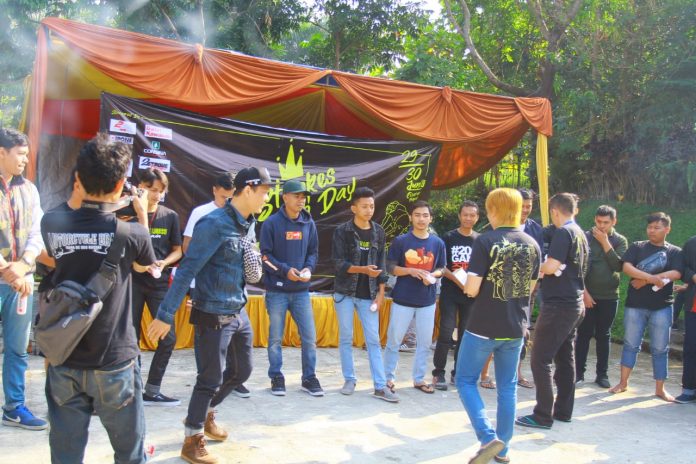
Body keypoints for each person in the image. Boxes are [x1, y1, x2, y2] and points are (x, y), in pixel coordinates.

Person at [42, 133, 155, 462]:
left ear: (77, 178)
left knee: (65, 455)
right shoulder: (132, 233)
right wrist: (141, 211)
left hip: (64, 357)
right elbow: (145, 265)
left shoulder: (51, 222)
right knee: (130, 455)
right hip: (114, 361)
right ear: (121, 185)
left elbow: (64, 244)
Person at [148, 167, 270, 464]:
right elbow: (187, 269)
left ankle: (205, 414)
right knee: (210, 378)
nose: (267, 198)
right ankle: (192, 440)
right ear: (248, 189)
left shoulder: (248, 224)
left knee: (242, 372)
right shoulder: (213, 224)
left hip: (238, 309)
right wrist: (165, 314)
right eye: (265, 192)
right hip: (212, 312)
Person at [457, 188, 541, 464]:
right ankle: (503, 450)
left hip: (483, 324)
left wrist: (465, 281)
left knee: (465, 380)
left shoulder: (485, 241)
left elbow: (472, 288)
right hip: (515, 326)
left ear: (494, 210)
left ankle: (487, 437)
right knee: (508, 387)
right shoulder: (532, 244)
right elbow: (530, 288)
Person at [516, 192, 588, 429]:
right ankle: (564, 411)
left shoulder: (563, 233)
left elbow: (551, 265)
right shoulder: (581, 233)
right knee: (565, 358)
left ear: (554, 211)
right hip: (574, 302)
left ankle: (542, 415)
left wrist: (538, 268)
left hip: (559, 305)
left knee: (540, 359)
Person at [331, 187, 397, 402]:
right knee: (346, 337)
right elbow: (338, 264)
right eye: (364, 206)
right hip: (345, 293)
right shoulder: (342, 231)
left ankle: (380, 386)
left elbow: (382, 265)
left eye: (372, 206)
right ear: (354, 208)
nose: (369, 210)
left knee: (373, 340)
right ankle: (349, 379)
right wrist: (363, 270)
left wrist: (381, 293)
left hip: (369, 294)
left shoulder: (378, 231)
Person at [0, 128, 46, 431]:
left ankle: (14, 407)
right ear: (2, 153)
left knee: (17, 350)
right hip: (10, 276)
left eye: (27, 154)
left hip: (21, 283)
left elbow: (37, 232)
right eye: (20, 154)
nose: (25, 160)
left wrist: (25, 265)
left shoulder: (29, 189)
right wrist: (7, 269)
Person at [609, 212, 683, 402]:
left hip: (662, 307)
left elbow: (676, 273)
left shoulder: (675, 252)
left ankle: (660, 388)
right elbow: (627, 268)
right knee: (631, 344)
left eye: (657, 227)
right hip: (636, 305)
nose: (652, 230)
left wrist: (644, 281)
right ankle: (623, 383)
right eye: (650, 227)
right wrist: (651, 278)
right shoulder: (637, 247)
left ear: (667, 229)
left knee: (660, 348)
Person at [260, 179, 323, 397]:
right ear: (285, 197)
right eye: (297, 196)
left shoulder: (309, 223)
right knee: (275, 339)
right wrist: (285, 271)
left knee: (309, 338)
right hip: (276, 291)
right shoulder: (271, 223)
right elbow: (264, 257)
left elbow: (313, 252)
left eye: (303, 196)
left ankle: (309, 378)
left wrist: (308, 269)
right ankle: (276, 376)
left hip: (301, 293)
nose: (301, 200)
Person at [130, 168, 183, 406]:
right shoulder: (128, 213)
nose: (157, 195)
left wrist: (164, 262)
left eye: (161, 191)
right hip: (131, 282)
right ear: (140, 187)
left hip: (159, 283)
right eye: (152, 190)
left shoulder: (169, 216)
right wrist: (136, 264)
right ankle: (133, 389)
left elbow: (178, 250)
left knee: (168, 338)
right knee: (130, 337)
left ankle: (152, 390)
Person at [383, 200, 446, 394]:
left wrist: (432, 276)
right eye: (417, 215)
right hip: (403, 298)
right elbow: (390, 267)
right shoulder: (401, 241)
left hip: (427, 300)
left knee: (424, 343)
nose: (421, 219)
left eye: (425, 215)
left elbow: (441, 268)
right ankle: (387, 378)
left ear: (431, 218)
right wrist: (410, 270)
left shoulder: (437, 243)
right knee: (394, 340)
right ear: (411, 217)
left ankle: (419, 379)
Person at [575, 205, 627, 388]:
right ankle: (578, 373)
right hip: (587, 295)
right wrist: (585, 293)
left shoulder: (620, 240)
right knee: (583, 334)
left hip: (609, 295)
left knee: (604, 335)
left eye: (606, 222)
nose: (602, 225)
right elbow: (578, 267)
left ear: (614, 222)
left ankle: (602, 374)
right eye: (599, 221)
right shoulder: (585, 237)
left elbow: (618, 266)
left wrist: (605, 242)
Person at [432, 200, 479, 390]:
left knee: (465, 335)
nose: (468, 218)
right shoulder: (449, 237)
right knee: (446, 332)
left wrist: (472, 286)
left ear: (477, 217)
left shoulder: (480, 240)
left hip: (471, 295)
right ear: (459, 216)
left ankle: (457, 373)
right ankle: (438, 373)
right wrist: (459, 281)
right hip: (450, 293)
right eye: (465, 214)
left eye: (472, 215)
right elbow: (442, 266)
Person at [182, 171, 236, 253]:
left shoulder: (240, 216)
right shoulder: (199, 212)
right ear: (214, 190)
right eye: (223, 197)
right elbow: (187, 245)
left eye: (230, 198)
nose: (227, 201)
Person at [676, 234, 696, 403]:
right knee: (691, 346)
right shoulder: (691, 244)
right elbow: (682, 267)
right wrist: (692, 276)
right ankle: (689, 389)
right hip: (694, 306)